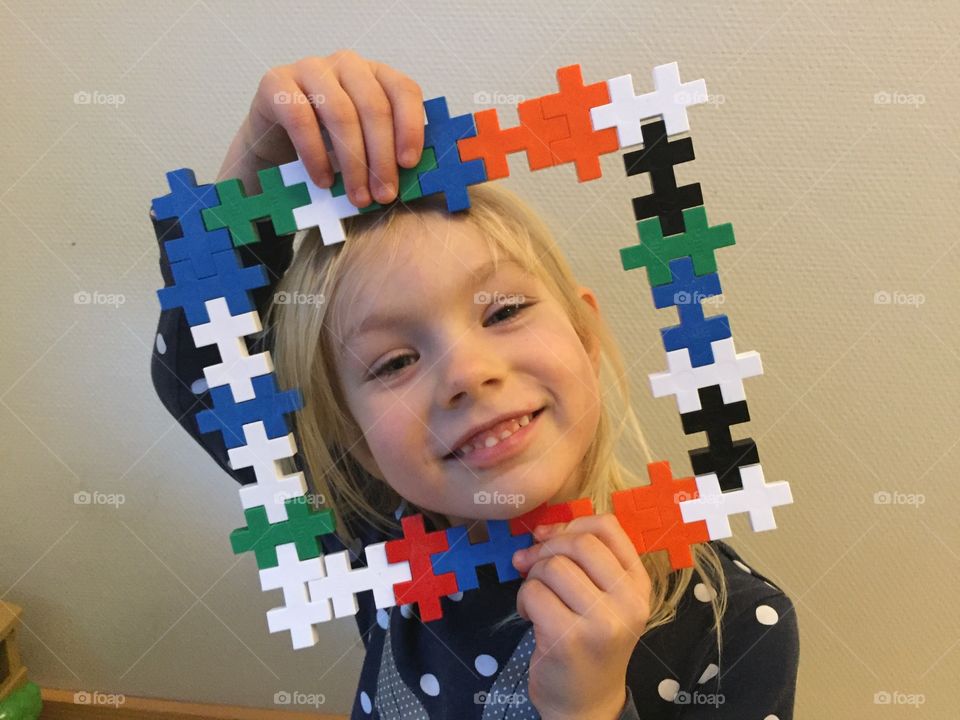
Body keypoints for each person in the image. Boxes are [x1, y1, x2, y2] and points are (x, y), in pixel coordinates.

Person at [150, 50, 799, 720]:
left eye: (505, 312)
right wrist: (252, 177)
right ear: (359, 442)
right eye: (394, 362)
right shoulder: (376, 527)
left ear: (584, 335)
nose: (465, 373)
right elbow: (204, 382)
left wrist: (586, 708)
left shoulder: (735, 621)